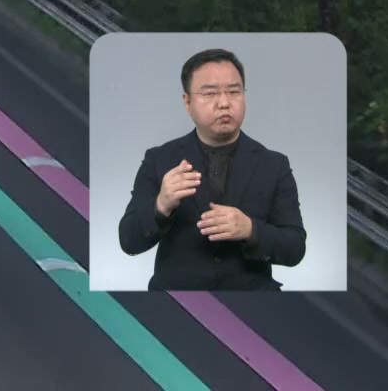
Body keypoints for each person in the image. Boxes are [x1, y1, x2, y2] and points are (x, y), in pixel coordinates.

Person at [117, 47, 306, 290]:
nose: (224, 103)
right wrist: (160, 206)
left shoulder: (274, 165)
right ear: (187, 102)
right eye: (210, 93)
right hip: (175, 301)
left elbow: (295, 247)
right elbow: (128, 241)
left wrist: (250, 229)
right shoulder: (160, 159)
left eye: (234, 92)